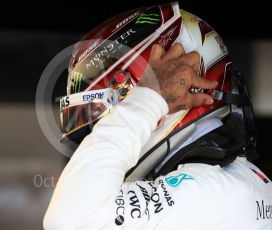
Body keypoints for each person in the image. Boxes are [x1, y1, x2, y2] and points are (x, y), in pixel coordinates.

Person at [44, 2, 272, 229]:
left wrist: (149, 98)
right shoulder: (232, 184)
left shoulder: (207, 191)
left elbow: (69, 222)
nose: (101, 131)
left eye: (106, 117)